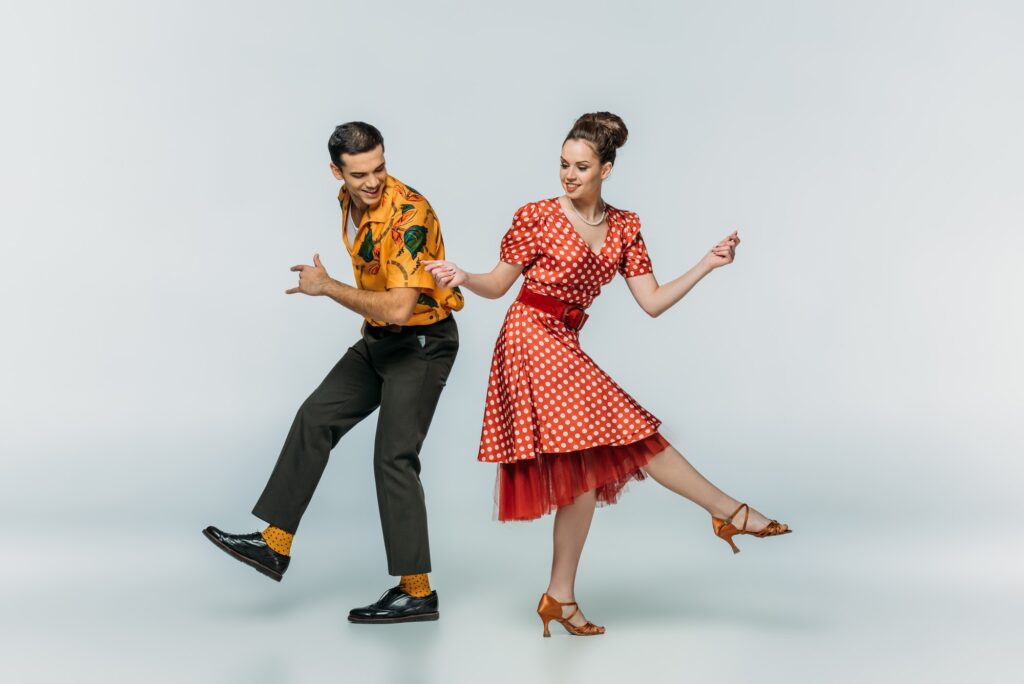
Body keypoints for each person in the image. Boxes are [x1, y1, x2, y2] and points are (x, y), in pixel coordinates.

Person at [423, 112, 790, 637]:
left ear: (607, 169)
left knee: (586, 476)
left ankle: (559, 596)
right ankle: (729, 511)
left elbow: (653, 302)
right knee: (632, 429)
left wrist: (707, 263)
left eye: (581, 167)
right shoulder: (537, 216)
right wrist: (463, 275)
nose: (568, 176)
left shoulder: (624, 228)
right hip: (529, 339)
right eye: (563, 165)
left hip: (564, 342)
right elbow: (498, 284)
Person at [204, 121, 463, 624]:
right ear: (336, 172)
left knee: (394, 457)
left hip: (422, 343)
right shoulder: (351, 201)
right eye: (359, 173)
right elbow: (381, 306)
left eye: (380, 168)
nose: (372, 182)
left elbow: (399, 308)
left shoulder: (410, 214)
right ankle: (274, 545)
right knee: (315, 416)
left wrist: (327, 287)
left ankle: (417, 592)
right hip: (379, 340)